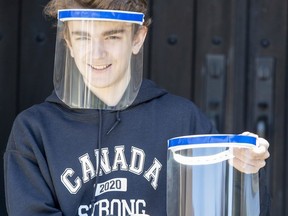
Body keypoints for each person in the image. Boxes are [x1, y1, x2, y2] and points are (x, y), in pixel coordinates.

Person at [4, 0, 270, 215]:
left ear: (137, 38)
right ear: (68, 43)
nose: (97, 54)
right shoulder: (34, 130)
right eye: (84, 37)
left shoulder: (181, 120)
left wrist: (243, 174)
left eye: (112, 37)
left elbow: (221, 208)